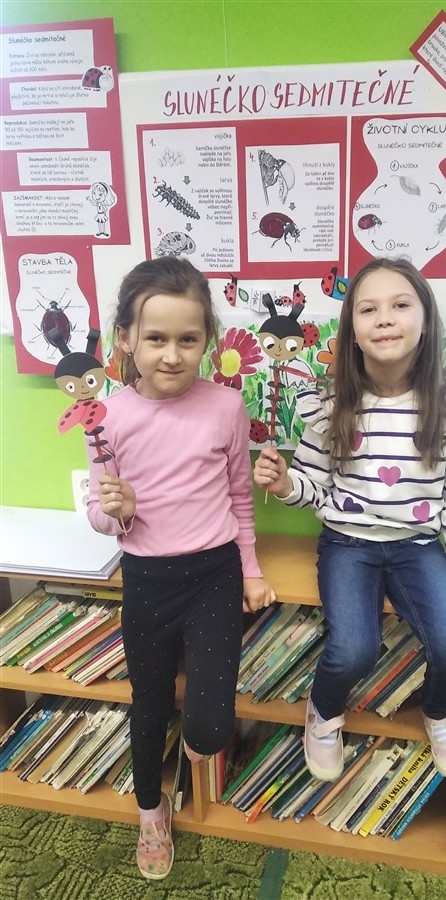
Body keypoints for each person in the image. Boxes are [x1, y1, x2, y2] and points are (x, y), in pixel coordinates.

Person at [254, 256, 446, 785]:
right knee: (352, 650)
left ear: (425, 321)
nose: (384, 317)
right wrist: (285, 485)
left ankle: (439, 712)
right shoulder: (331, 405)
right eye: (368, 309)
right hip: (347, 544)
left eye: (400, 304)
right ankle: (323, 711)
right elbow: (314, 488)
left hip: (418, 546)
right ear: (352, 332)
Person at [85, 256, 275, 880]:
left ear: (208, 340)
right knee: (149, 703)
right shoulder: (106, 418)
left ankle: (202, 751)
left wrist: (250, 569)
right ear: (125, 339)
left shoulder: (225, 406)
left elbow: (240, 496)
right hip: (147, 578)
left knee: (210, 727)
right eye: (156, 339)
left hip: (215, 574)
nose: (172, 355)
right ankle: (151, 810)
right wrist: (118, 512)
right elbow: (100, 513)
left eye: (188, 339)